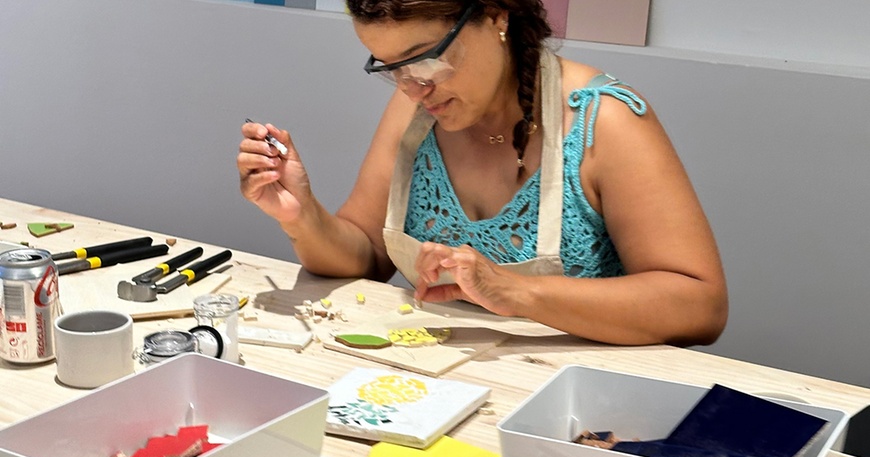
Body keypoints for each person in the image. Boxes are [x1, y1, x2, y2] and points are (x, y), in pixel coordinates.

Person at [237, 0, 728, 347]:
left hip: (579, 401)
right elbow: (366, 255)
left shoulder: (605, 121)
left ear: (496, 15)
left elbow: (699, 306)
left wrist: (512, 290)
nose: (413, 87)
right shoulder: (417, 111)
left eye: (427, 58)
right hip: (452, 384)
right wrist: (302, 217)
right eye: (391, 67)